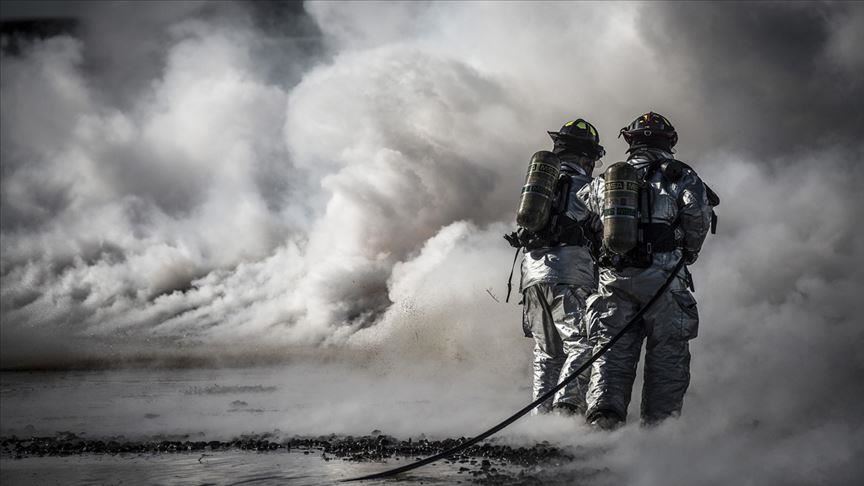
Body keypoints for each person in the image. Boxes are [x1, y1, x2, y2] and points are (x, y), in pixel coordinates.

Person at [577, 112, 718, 428]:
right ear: (669, 141)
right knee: (668, 355)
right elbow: (698, 215)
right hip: (664, 279)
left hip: (614, 279)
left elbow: (586, 210)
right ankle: (658, 431)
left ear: (631, 141)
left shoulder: (607, 180)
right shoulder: (681, 176)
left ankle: (603, 422)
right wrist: (689, 253)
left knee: (610, 352)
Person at [505, 119, 605, 416]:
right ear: (587, 158)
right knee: (583, 344)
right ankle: (564, 411)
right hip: (571, 275)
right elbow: (606, 234)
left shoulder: (539, 189)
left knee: (546, 352)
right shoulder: (590, 187)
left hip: (532, 276)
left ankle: (541, 419)